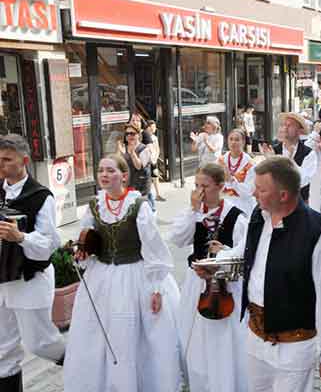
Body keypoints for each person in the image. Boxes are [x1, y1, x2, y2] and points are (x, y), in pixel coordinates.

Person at [64, 153, 181, 392]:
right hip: (102, 276)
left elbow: (154, 249)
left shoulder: (139, 206)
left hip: (135, 276)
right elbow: (88, 241)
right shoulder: (95, 205)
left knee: (134, 335)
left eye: (110, 170)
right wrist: (82, 253)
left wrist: (156, 288)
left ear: (124, 176)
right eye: (100, 171)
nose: (104, 175)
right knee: (98, 333)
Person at [241, 156, 321, 391]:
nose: (254, 193)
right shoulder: (258, 217)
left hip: (294, 347)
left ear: (283, 195)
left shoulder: (318, 236)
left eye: (261, 189)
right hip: (255, 339)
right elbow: (250, 258)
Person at [169, 163, 249, 392]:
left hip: (226, 288)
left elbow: (245, 254)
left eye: (205, 186)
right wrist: (192, 210)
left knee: (224, 340)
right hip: (197, 285)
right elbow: (177, 238)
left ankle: (226, 383)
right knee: (194, 339)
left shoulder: (235, 217)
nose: (199, 192)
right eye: (196, 186)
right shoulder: (195, 214)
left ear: (220, 187)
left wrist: (224, 251)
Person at [0, 134, 65, 392]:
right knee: (2, 347)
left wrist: (21, 237)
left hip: (29, 280)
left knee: (40, 343)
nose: (1, 164)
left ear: (24, 160)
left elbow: (49, 244)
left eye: (7, 159)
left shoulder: (40, 196)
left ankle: (86, 365)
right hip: (2, 281)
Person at [262, 113, 316, 201]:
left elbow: (303, 180)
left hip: (299, 204)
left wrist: (290, 162)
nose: (285, 128)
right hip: (277, 202)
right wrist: (270, 161)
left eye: (290, 125)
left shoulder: (308, 153)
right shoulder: (273, 151)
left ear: (299, 130)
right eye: (284, 125)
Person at [218, 128, 257, 216]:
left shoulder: (250, 163)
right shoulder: (221, 160)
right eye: (231, 139)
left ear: (243, 142)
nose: (233, 142)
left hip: (243, 206)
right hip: (224, 203)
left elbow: (249, 191)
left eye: (237, 140)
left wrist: (232, 180)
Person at [119, 122, 155, 211]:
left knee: (144, 216)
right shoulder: (124, 148)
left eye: (132, 133)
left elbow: (139, 166)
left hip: (141, 189)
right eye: (127, 134)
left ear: (138, 135)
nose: (129, 136)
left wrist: (132, 153)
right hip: (129, 187)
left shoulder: (144, 148)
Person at [145, 120, 166, 202]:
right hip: (146, 161)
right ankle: (147, 195)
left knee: (155, 177)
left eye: (155, 127)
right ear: (148, 127)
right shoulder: (143, 136)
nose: (155, 128)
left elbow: (157, 149)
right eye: (153, 127)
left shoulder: (154, 138)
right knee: (147, 178)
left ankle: (158, 194)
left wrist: (155, 158)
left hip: (153, 160)